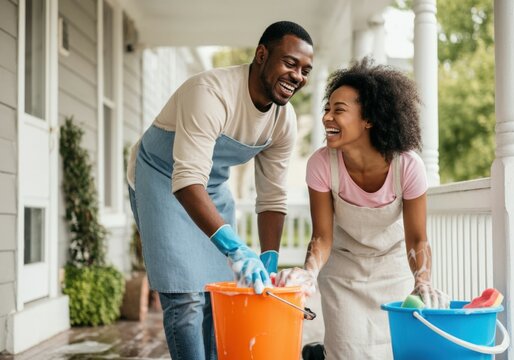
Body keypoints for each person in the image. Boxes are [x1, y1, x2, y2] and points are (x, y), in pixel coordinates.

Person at [126, 21, 314, 360]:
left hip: (209, 188)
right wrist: (235, 248)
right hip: (161, 178)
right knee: (185, 302)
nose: (298, 76)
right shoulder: (211, 92)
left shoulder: (283, 121)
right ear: (261, 55)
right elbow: (185, 179)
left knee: (217, 299)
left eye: (305, 70)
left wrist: (268, 260)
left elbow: (271, 196)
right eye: (290, 63)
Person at [274, 58, 449, 360]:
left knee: (394, 351)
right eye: (326, 109)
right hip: (342, 268)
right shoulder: (321, 164)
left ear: (369, 118)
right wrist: (309, 272)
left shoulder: (407, 166)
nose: (327, 117)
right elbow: (322, 237)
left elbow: (417, 238)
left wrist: (422, 281)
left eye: (338, 110)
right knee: (346, 351)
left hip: (392, 267)